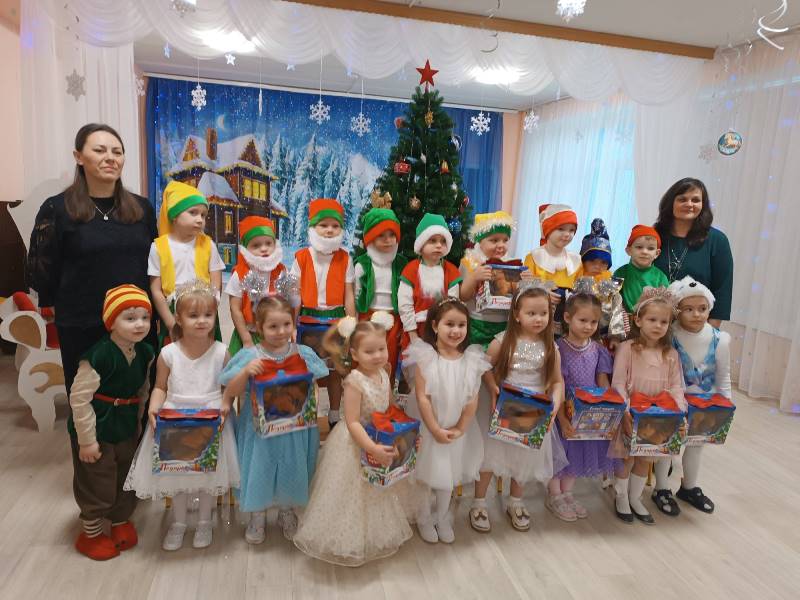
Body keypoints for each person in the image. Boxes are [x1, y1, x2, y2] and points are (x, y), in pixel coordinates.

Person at [27, 123, 157, 393]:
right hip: (82, 322)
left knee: (140, 398)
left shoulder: (142, 208)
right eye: (99, 150)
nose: (110, 158)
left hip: (137, 321)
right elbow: (42, 270)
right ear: (79, 156)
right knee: (86, 399)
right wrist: (52, 306)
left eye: (117, 152)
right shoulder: (56, 208)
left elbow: (156, 263)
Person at [294, 312, 415, 566]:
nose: (378, 355)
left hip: (380, 436)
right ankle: (346, 539)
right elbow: (352, 422)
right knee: (351, 493)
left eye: (381, 349)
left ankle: (373, 534)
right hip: (355, 444)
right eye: (369, 351)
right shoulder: (354, 382)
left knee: (375, 491)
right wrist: (371, 447)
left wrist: (403, 433)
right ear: (355, 354)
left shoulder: (384, 373)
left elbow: (390, 407)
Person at [124, 281, 239, 550]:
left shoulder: (221, 352)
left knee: (207, 476)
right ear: (178, 318)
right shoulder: (168, 354)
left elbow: (228, 387)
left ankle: (204, 522)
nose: (202, 321)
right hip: (175, 420)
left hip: (210, 420)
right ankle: (178, 523)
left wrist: (226, 403)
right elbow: (160, 387)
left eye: (208, 315)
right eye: (193, 315)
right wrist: (154, 407)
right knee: (177, 476)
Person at [219, 295, 328, 544]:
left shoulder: (303, 353)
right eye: (273, 326)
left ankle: (286, 510)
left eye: (286, 324)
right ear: (259, 327)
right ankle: (257, 514)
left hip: (293, 428)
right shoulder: (250, 356)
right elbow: (231, 390)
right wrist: (246, 372)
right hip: (260, 431)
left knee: (291, 466)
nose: (281, 332)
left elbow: (314, 383)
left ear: (294, 323)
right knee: (260, 468)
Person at [68, 285, 154, 560]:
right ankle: (90, 533)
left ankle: (120, 521)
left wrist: (138, 423)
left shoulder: (145, 352)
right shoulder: (98, 356)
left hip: (125, 425)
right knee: (97, 479)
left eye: (145, 317)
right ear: (111, 322)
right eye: (130, 318)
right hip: (97, 427)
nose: (139, 324)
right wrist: (86, 440)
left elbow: (143, 390)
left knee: (125, 473)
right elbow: (79, 399)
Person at [472, 284, 567, 532]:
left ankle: (515, 501)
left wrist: (554, 406)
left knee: (523, 460)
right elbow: (485, 369)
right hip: (505, 407)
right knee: (491, 458)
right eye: (531, 313)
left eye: (543, 313)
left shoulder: (551, 347)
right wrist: (492, 387)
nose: (538, 319)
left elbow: (557, 381)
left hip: (534, 411)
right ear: (516, 314)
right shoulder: (503, 341)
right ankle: (479, 502)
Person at [403, 299, 490, 544]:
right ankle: (423, 516)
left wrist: (461, 427)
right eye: (449, 324)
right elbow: (423, 397)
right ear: (435, 325)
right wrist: (434, 428)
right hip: (429, 428)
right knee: (425, 475)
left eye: (461, 325)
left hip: (456, 430)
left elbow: (472, 399)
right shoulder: (427, 357)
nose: (456, 330)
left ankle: (442, 517)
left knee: (447, 476)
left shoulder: (471, 360)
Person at [651, 276, 731, 516]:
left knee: (696, 447)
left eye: (702, 309)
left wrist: (725, 406)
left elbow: (724, 375)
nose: (697, 314)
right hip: (672, 400)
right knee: (668, 445)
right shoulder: (669, 335)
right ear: (677, 310)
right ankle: (661, 488)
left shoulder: (720, 340)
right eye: (689, 309)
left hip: (705, 403)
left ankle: (689, 487)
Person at [611, 288, 686, 525]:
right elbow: (618, 382)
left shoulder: (671, 354)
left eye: (664, 322)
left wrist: (679, 413)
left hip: (658, 418)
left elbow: (676, 386)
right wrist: (625, 410)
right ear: (638, 320)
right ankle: (621, 497)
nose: (658, 325)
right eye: (652, 319)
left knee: (645, 459)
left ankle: (635, 498)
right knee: (627, 458)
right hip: (631, 414)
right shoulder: (628, 348)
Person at [548, 293, 617, 521]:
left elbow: (602, 382)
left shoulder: (598, 349)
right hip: (563, 410)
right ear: (568, 318)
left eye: (594, 322)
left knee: (578, 453)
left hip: (588, 413)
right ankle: (554, 495)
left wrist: (609, 408)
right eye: (583, 320)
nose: (588, 326)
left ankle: (567, 493)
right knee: (560, 454)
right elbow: (556, 384)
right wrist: (561, 418)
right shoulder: (558, 348)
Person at [290, 198, 355, 428]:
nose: (329, 230)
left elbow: (349, 294)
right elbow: (295, 294)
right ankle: (309, 414)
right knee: (308, 370)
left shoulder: (345, 258)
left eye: (335, 226)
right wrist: (291, 325)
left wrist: (352, 324)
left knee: (336, 371)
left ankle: (334, 414)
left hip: (336, 323)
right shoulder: (301, 257)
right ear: (313, 227)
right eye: (323, 225)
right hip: (307, 324)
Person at [149, 180, 225, 349]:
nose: (200, 219)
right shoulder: (158, 247)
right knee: (175, 356)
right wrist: (170, 323)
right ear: (175, 216)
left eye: (203, 215)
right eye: (193, 213)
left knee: (208, 354)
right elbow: (156, 290)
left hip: (204, 308)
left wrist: (211, 307)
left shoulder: (208, 245)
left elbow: (216, 280)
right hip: (174, 310)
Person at [653, 177, 734, 327]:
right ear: (671, 203)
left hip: (695, 326)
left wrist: (711, 331)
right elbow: (637, 273)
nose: (689, 204)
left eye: (695, 200)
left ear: (703, 205)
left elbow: (722, 289)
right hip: (653, 323)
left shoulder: (717, 240)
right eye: (682, 199)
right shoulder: (654, 235)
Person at [353, 208, 408, 382]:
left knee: (389, 357)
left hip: (393, 319)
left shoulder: (401, 263)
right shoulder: (362, 264)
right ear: (370, 237)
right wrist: (355, 320)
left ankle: (386, 391)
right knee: (365, 356)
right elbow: (356, 295)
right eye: (381, 235)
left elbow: (406, 293)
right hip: (367, 318)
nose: (387, 240)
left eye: (392, 235)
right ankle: (362, 390)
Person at [224, 216, 288, 356]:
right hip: (248, 334)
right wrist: (246, 339)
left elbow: (286, 305)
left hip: (275, 336)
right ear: (246, 248)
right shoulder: (240, 274)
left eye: (268, 243)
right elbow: (235, 309)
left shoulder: (282, 271)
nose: (264, 249)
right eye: (256, 245)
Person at [397, 213, 462, 342]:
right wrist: (412, 333)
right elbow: (404, 304)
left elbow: (452, 304)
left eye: (443, 241)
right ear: (421, 244)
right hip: (415, 331)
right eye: (433, 240)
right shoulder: (411, 269)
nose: (439, 245)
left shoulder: (451, 271)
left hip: (443, 332)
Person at [459, 210, 516, 348]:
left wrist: (521, 281)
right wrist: (474, 277)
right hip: (477, 324)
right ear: (480, 241)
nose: (501, 245)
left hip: (504, 323)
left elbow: (515, 294)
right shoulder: (470, 262)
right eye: (494, 240)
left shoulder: (510, 264)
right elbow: (463, 296)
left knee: (498, 357)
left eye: (505, 240)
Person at [522, 204, 582, 331]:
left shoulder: (576, 261)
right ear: (548, 229)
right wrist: (541, 292)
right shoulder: (533, 257)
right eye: (561, 229)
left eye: (572, 230)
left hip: (566, 323)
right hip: (538, 320)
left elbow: (580, 290)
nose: (567, 234)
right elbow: (523, 289)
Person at [614, 225, 669, 315]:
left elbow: (665, 305)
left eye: (650, 248)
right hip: (624, 320)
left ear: (657, 253)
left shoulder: (661, 277)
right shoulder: (620, 273)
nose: (644, 252)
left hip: (651, 320)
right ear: (629, 250)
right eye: (639, 247)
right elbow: (612, 299)